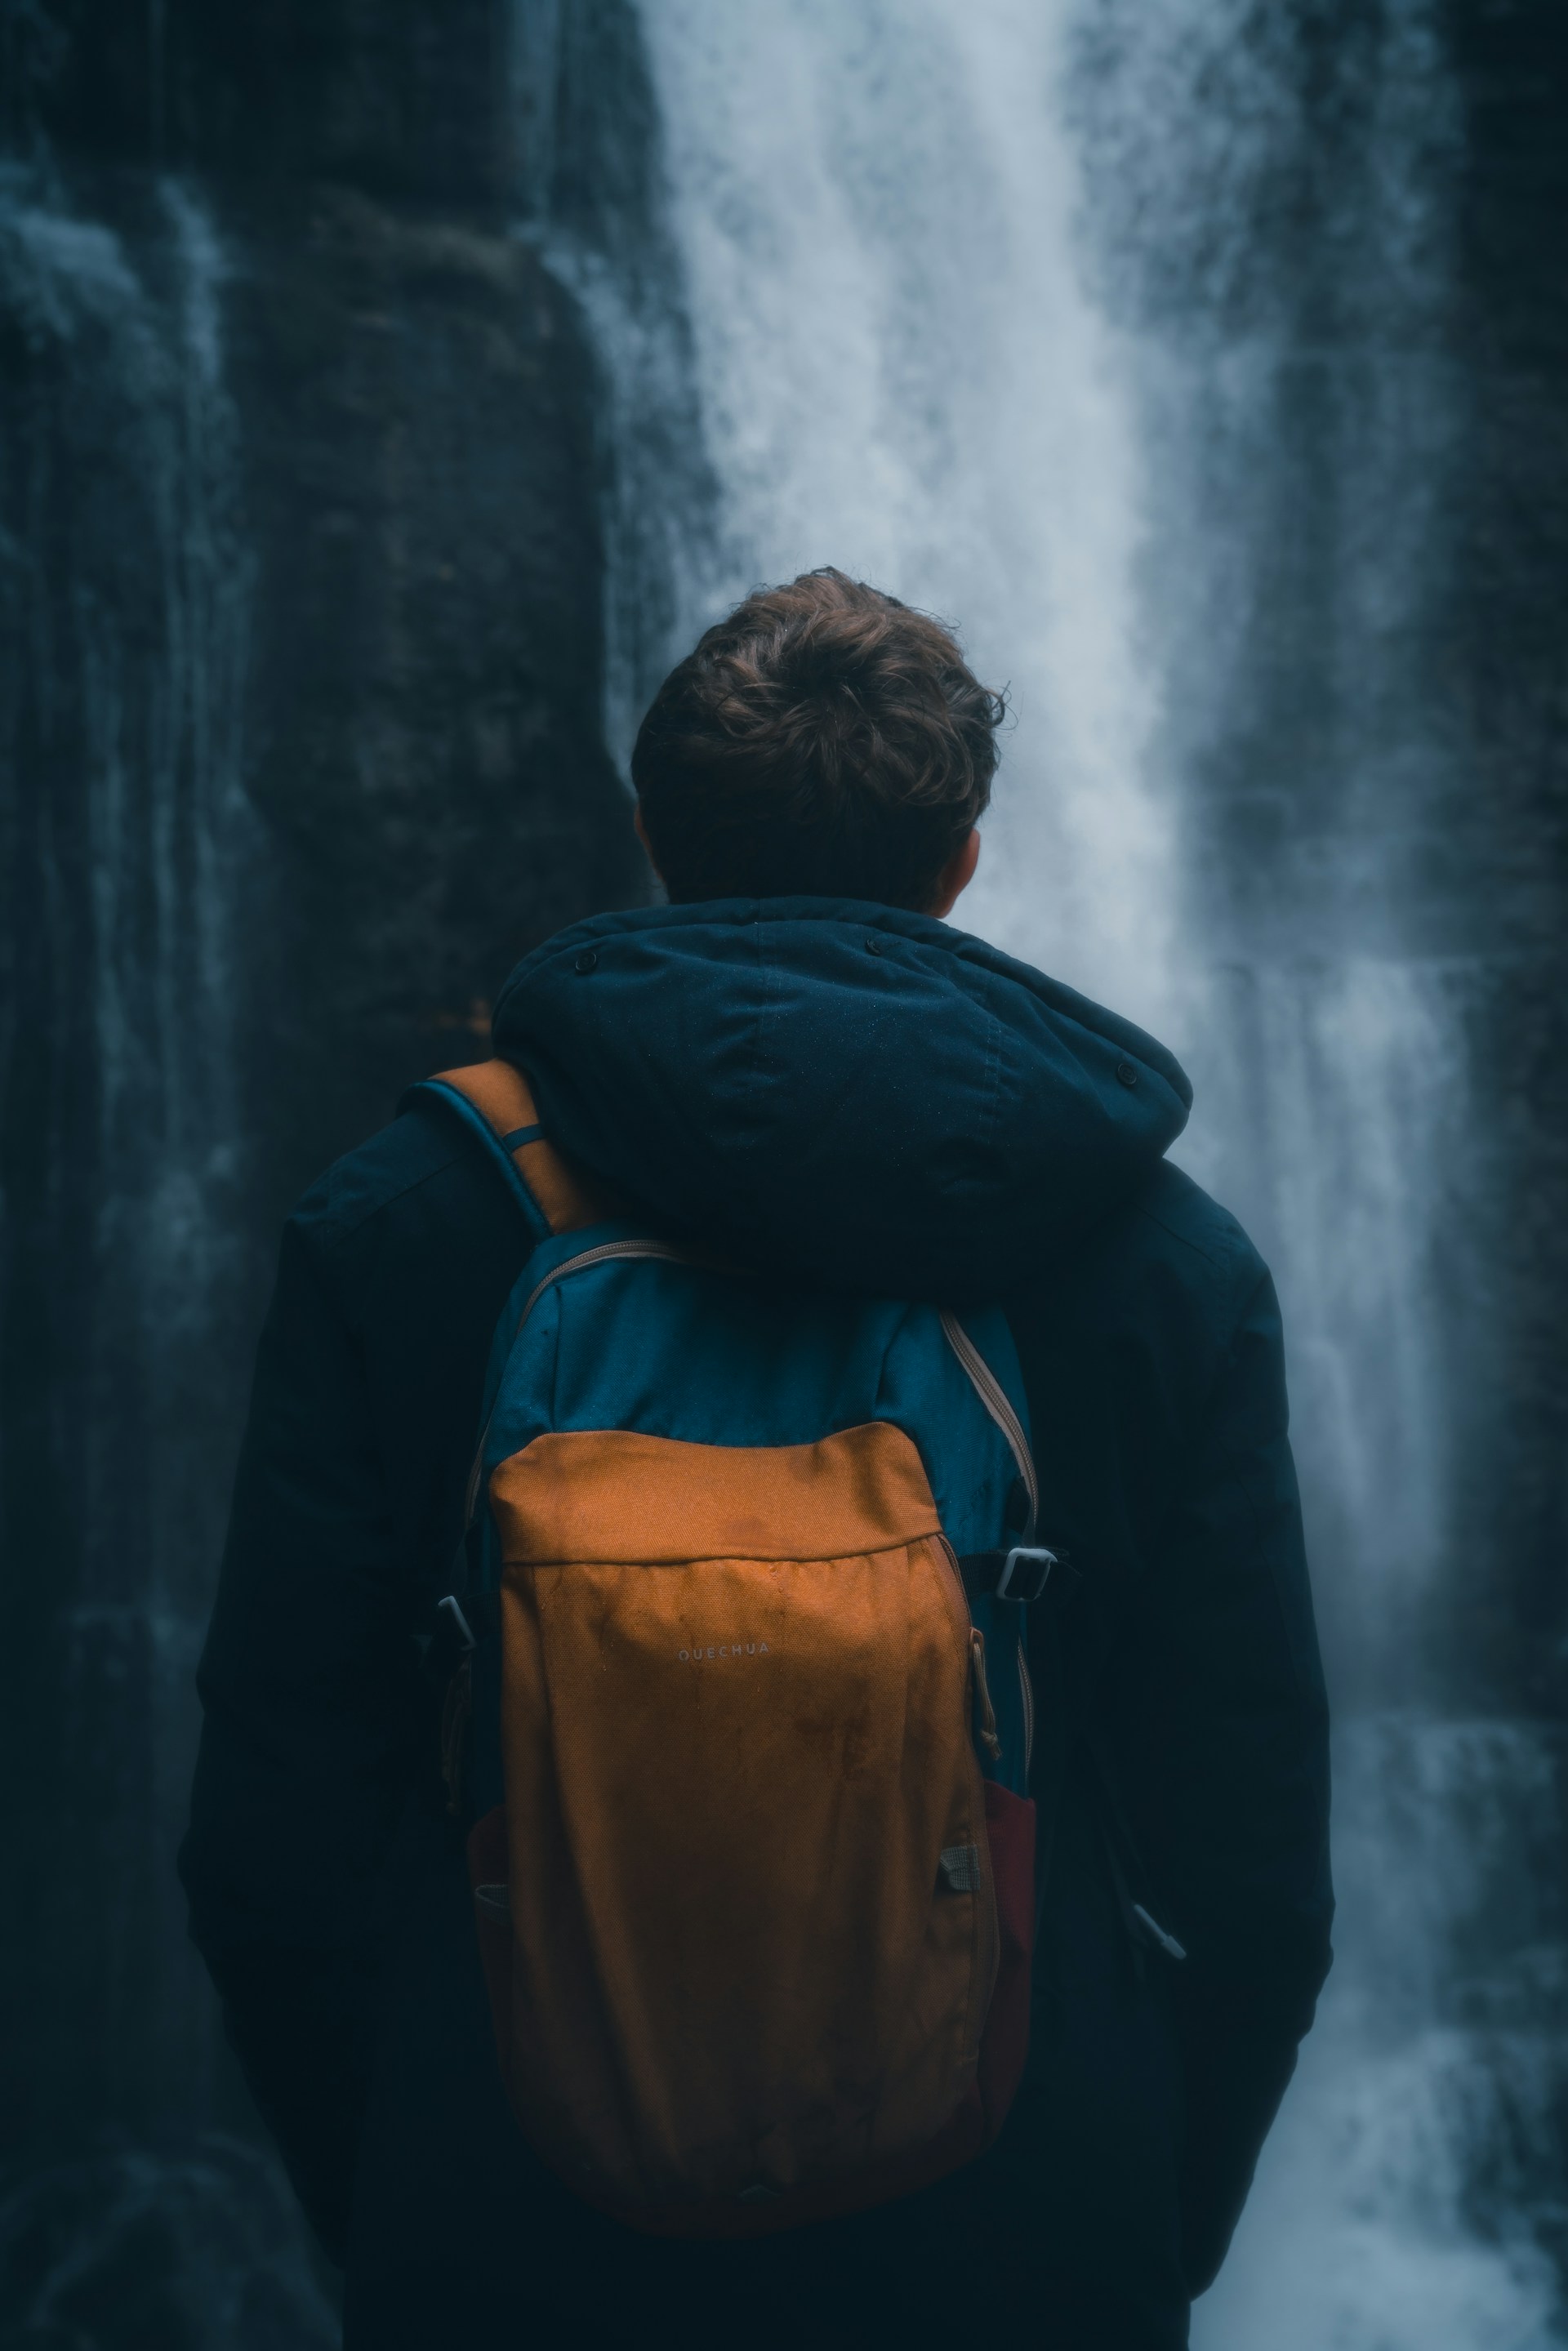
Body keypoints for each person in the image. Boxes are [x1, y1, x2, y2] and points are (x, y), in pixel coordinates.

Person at [181, 567, 1332, 2348]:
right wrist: (1150, 2211)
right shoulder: (1160, 1266)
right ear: (960, 862)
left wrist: (398, 2189)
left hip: (511, 2214)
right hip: (1029, 2207)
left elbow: (274, 1833)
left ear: (654, 834)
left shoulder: (407, 1225)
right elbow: (1247, 1856)